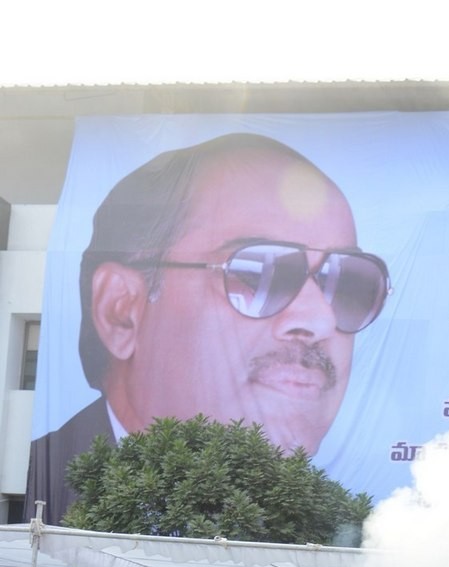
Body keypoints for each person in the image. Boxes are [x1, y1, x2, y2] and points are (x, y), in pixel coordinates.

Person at [26, 132, 390, 521]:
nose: (319, 319)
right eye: (257, 274)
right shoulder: (52, 493)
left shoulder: (317, 526)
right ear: (122, 311)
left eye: (349, 283)